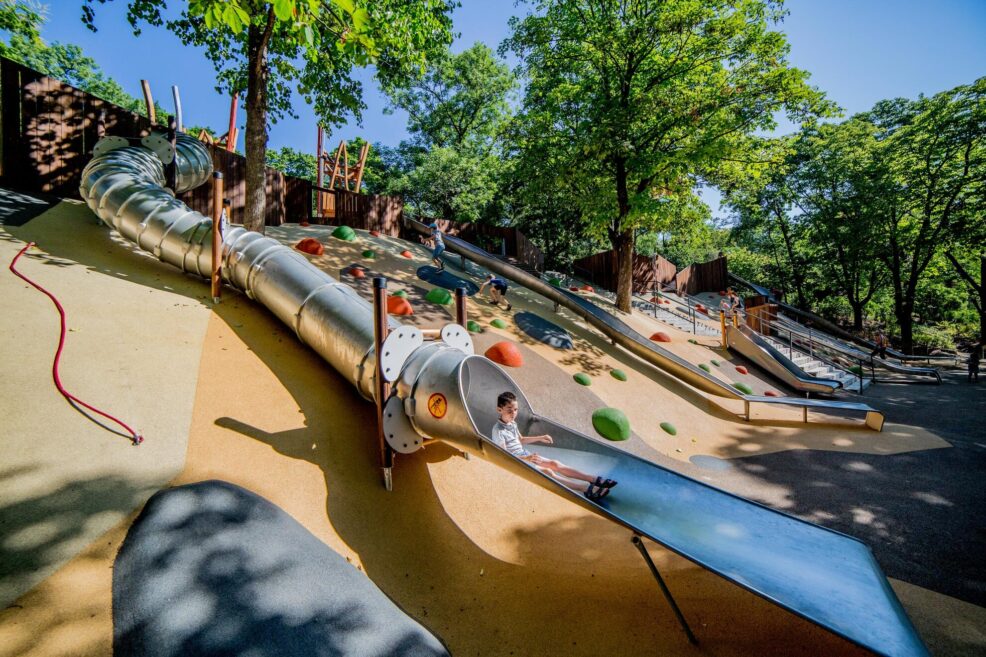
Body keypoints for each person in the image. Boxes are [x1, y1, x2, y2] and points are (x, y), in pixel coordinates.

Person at [491, 391, 615, 502]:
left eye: (516, 409)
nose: (513, 413)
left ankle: (592, 479)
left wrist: (540, 437)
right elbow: (504, 455)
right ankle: (585, 488)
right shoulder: (498, 431)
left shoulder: (512, 423)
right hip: (518, 462)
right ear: (499, 410)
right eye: (509, 410)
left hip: (525, 455)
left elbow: (520, 440)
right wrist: (526, 459)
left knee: (555, 464)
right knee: (548, 471)